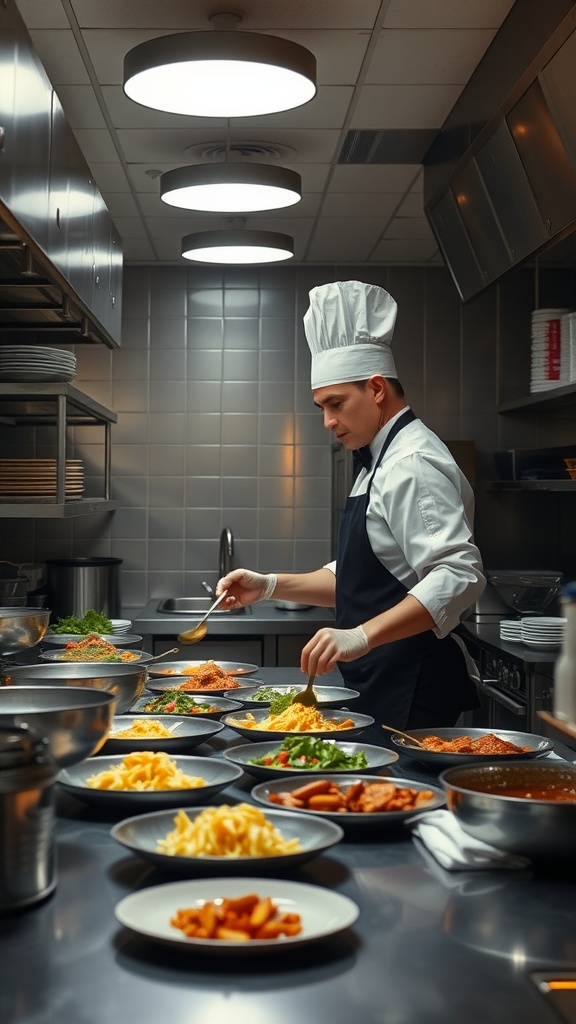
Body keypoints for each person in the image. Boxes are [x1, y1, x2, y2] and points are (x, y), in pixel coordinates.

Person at [217, 280, 486, 739]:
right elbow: (365, 577)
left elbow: (458, 575)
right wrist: (269, 586)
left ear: (377, 388)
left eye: (335, 404)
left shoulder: (411, 462)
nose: (328, 421)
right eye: (321, 407)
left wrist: (360, 635)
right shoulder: (377, 458)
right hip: (382, 679)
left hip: (413, 684)